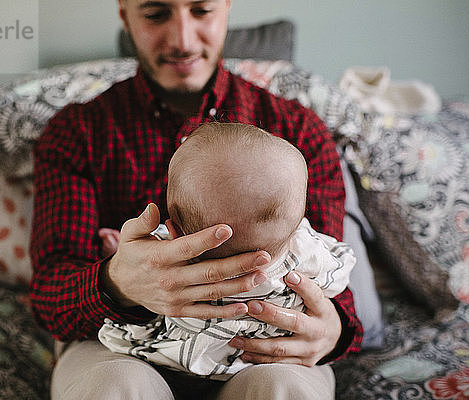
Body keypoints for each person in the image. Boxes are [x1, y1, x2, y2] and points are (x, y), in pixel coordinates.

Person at [30, 0, 363, 398]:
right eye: (155, 14)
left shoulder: (297, 130)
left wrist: (332, 334)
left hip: (260, 348)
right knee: (115, 387)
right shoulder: (79, 131)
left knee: (282, 389)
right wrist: (116, 282)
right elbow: (50, 297)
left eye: (202, 11)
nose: (182, 40)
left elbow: (331, 278)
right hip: (118, 343)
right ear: (125, 15)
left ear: (226, 7)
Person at [98, 122, 356, 381]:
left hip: (177, 360)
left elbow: (130, 310)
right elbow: (340, 269)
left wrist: (112, 274)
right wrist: (338, 319)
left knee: (121, 361)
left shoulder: (169, 265)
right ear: (297, 227)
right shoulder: (303, 256)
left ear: (175, 233)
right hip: (257, 361)